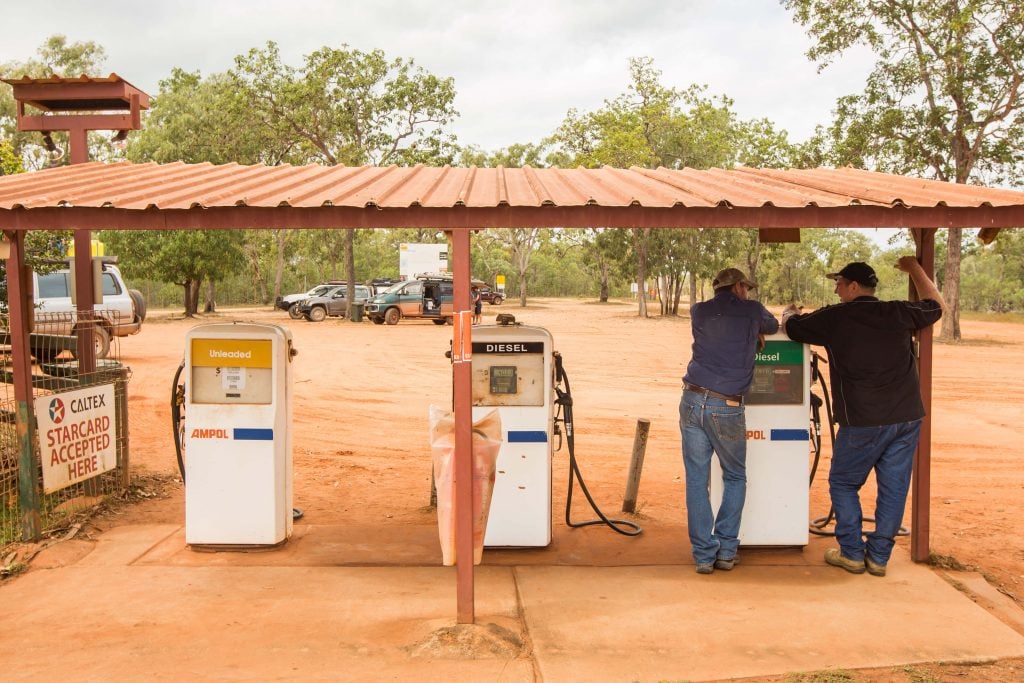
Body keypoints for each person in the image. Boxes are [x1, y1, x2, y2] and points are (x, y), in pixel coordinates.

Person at [782, 258, 945, 577]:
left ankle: (853, 553)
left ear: (854, 286)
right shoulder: (899, 311)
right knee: (894, 488)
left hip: (863, 421)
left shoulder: (835, 317)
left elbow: (793, 328)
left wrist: (789, 312)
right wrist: (914, 268)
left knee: (843, 482)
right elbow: (936, 305)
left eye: (839, 283)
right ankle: (879, 558)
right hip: (906, 417)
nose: (836, 288)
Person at [681, 267, 779, 574]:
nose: (747, 292)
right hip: (727, 405)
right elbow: (774, 325)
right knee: (734, 476)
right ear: (738, 287)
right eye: (745, 288)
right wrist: (755, 332)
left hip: (692, 399)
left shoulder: (698, 311)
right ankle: (725, 550)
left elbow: (719, 336)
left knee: (697, 480)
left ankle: (702, 556)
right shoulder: (752, 311)